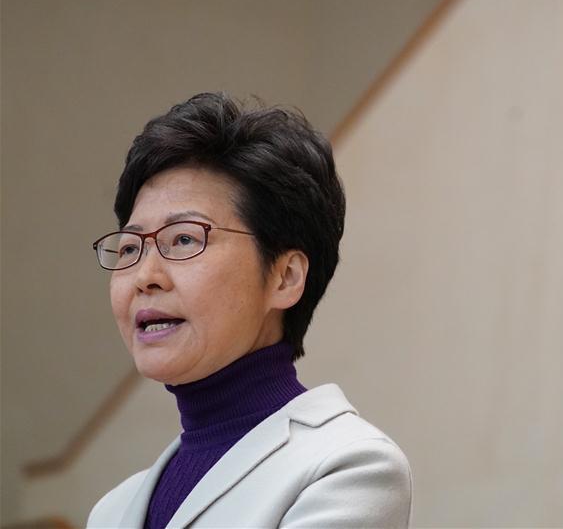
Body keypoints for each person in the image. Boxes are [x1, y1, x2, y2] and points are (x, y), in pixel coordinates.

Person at [86, 93, 412, 528]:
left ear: (285, 277)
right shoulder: (111, 511)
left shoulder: (348, 467)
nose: (145, 276)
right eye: (130, 247)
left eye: (184, 239)